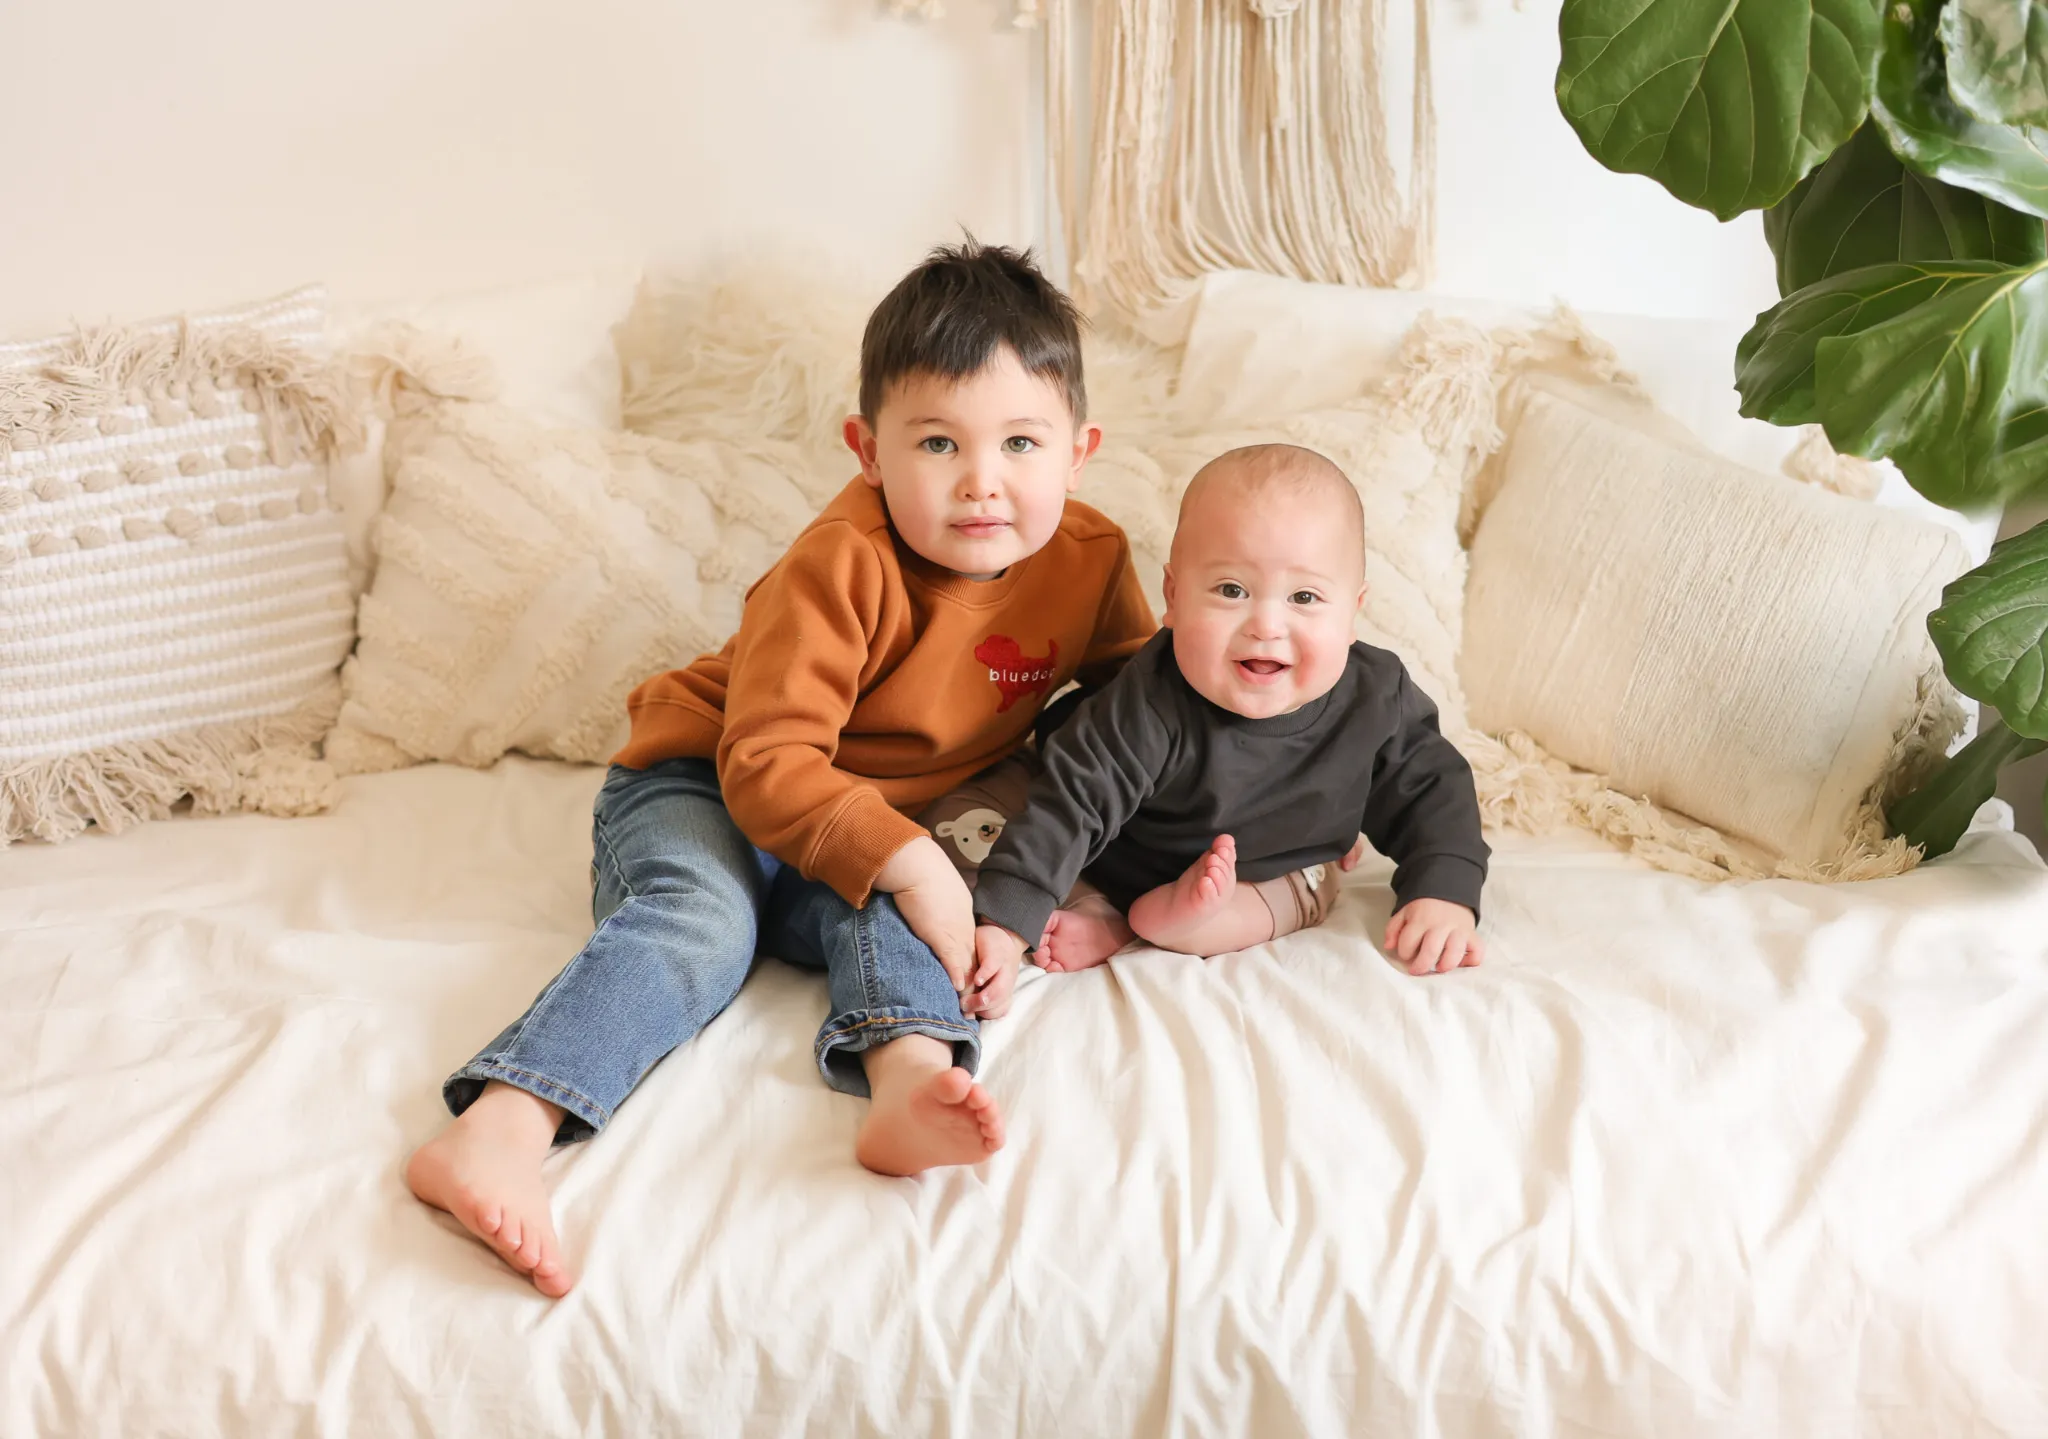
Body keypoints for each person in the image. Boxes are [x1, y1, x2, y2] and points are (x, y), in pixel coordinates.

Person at [404, 241, 1156, 1296]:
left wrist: (1261, 809)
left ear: (1077, 452)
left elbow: (1142, 719)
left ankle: (904, 1084)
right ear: (867, 449)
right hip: (709, 779)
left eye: (1020, 442)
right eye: (937, 441)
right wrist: (912, 859)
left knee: (899, 922)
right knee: (706, 924)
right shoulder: (840, 562)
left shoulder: (1089, 557)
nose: (983, 481)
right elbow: (765, 760)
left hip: (868, 824)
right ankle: (499, 1126)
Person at [969, 443, 1490, 985]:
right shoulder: (1149, 702)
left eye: (1305, 597)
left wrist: (1444, 890)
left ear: (1353, 613)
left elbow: (1433, 788)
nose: (1266, 624)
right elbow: (1071, 809)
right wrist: (1006, 928)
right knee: (991, 826)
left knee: (1306, 890)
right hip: (1123, 858)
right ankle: (1113, 913)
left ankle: (1159, 924)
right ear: (1173, 597)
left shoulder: (1377, 698)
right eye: (1231, 590)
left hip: (1275, 872)